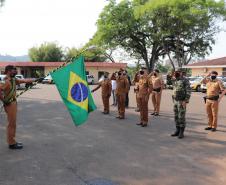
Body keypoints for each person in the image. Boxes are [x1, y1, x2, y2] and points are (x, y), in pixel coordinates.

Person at [0, 65, 36, 149]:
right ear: (8, 71)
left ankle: (12, 140)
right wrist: (3, 100)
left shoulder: (13, 80)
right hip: (9, 104)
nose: (15, 71)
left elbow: (23, 80)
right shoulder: (6, 81)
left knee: (13, 123)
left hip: (13, 103)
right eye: (13, 70)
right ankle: (11, 143)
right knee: (11, 124)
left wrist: (36, 79)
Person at [171, 70, 191, 139]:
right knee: (176, 116)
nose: (176, 73)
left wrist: (186, 101)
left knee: (181, 116)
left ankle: (181, 132)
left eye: (178, 72)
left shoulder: (185, 80)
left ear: (181, 73)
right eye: (175, 72)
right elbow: (174, 89)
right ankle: (177, 130)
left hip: (182, 101)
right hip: (175, 101)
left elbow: (188, 91)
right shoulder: (175, 80)